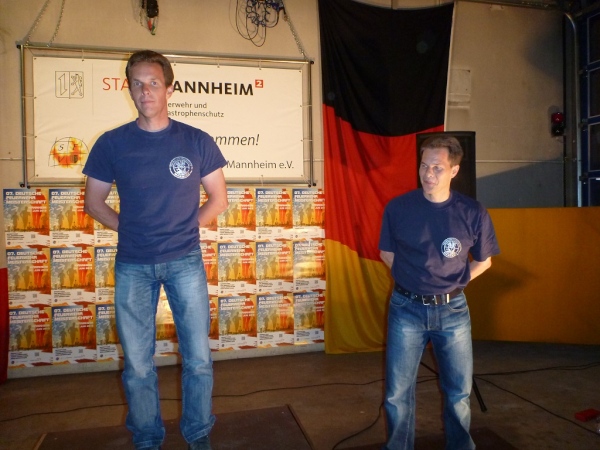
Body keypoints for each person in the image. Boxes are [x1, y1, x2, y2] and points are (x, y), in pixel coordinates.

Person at [83, 50, 228, 450]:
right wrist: (131, 230)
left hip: (185, 261)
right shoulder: (111, 143)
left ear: (169, 88)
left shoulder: (196, 140)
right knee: (137, 364)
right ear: (128, 88)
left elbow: (218, 199)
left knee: (198, 358)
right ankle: (147, 438)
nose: (145, 91)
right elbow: (94, 203)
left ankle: (198, 433)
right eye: (137, 83)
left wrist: (184, 229)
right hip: (133, 263)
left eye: (153, 83)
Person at [378, 135, 500, 450]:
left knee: (458, 392)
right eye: (424, 166)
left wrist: (455, 282)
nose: (428, 174)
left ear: (454, 170)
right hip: (406, 309)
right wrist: (415, 282)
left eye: (437, 168)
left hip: (453, 311)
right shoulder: (399, 208)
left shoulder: (472, 212)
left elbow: (484, 261)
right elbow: (387, 253)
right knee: (397, 394)